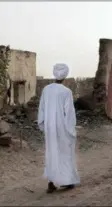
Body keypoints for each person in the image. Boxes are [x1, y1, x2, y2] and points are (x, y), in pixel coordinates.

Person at [37, 63, 80, 194]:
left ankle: (51, 182)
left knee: (52, 153)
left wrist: (43, 124)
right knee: (65, 153)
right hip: (62, 128)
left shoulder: (46, 89)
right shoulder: (66, 92)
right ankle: (67, 180)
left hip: (50, 127)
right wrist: (71, 130)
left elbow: (42, 109)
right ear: (65, 76)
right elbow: (69, 114)